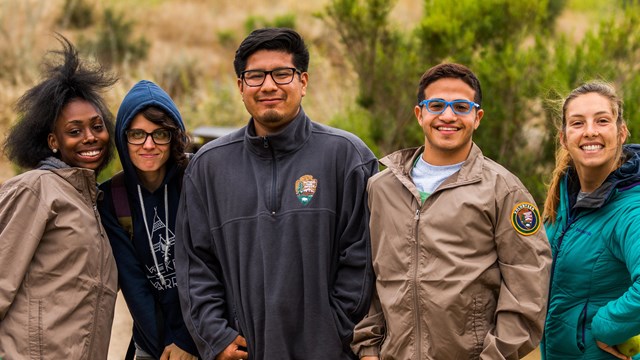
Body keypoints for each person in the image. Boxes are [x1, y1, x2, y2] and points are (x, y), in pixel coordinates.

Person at [174, 27, 378, 360]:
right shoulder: (209, 167)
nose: (269, 86)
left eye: (282, 74)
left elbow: (364, 260)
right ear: (240, 86)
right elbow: (195, 264)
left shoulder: (347, 158)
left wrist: (335, 332)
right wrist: (216, 336)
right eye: (255, 76)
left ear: (304, 82)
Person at [351, 63, 553, 359]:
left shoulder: (503, 189)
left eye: (461, 106)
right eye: (436, 105)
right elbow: (368, 276)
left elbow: (528, 285)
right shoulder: (381, 188)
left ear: (477, 117)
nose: (448, 116)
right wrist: (369, 349)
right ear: (420, 114)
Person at [0, 35, 118, 359]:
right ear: (54, 141)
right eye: (75, 130)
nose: (90, 137)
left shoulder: (92, 201)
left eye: (97, 126)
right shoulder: (35, 189)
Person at [98, 80, 199, 359]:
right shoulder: (112, 197)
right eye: (137, 134)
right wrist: (167, 345)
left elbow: (214, 267)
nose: (149, 144)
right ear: (122, 137)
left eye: (160, 134)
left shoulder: (196, 178)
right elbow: (134, 285)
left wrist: (189, 340)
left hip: (205, 335)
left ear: (174, 135)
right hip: (153, 343)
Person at [541, 81, 640, 360]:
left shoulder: (631, 209)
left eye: (602, 120)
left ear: (621, 133)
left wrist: (605, 328)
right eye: (577, 123)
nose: (590, 131)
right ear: (563, 138)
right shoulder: (563, 201)